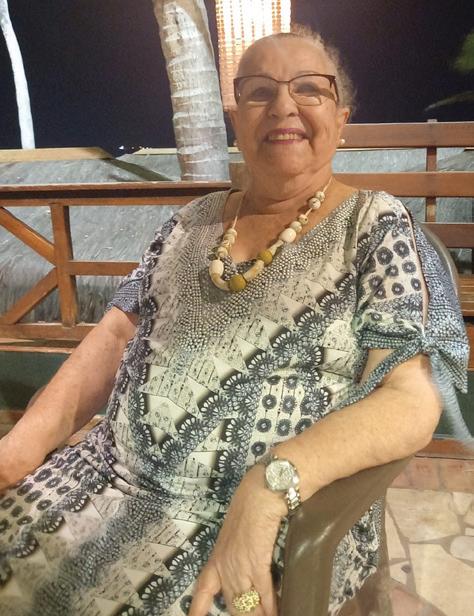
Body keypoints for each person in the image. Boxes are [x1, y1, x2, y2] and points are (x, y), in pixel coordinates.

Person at [0, 25, 470, 616]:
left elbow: (410, 398)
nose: (283, 105)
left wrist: (269, 484)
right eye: (259, 91)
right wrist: (18, 449)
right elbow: (117, 332)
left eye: (309, 88)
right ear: (236, 120)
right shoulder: (190, 222)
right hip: (101, 478)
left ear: (341, 118)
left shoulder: (374, 226)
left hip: (244, 518)